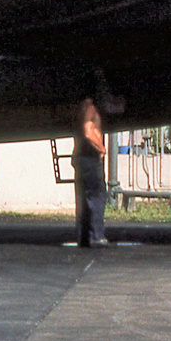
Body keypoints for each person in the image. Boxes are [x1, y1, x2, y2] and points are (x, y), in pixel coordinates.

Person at [73, 97, 108, 247]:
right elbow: (88, 131)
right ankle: (96, 235)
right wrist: (101, 148)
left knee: (83, 198)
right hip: (90, 157)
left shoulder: (79, 111)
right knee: (96, 195)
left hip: (80, 157)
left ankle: (84, 236)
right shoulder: (90, 110)